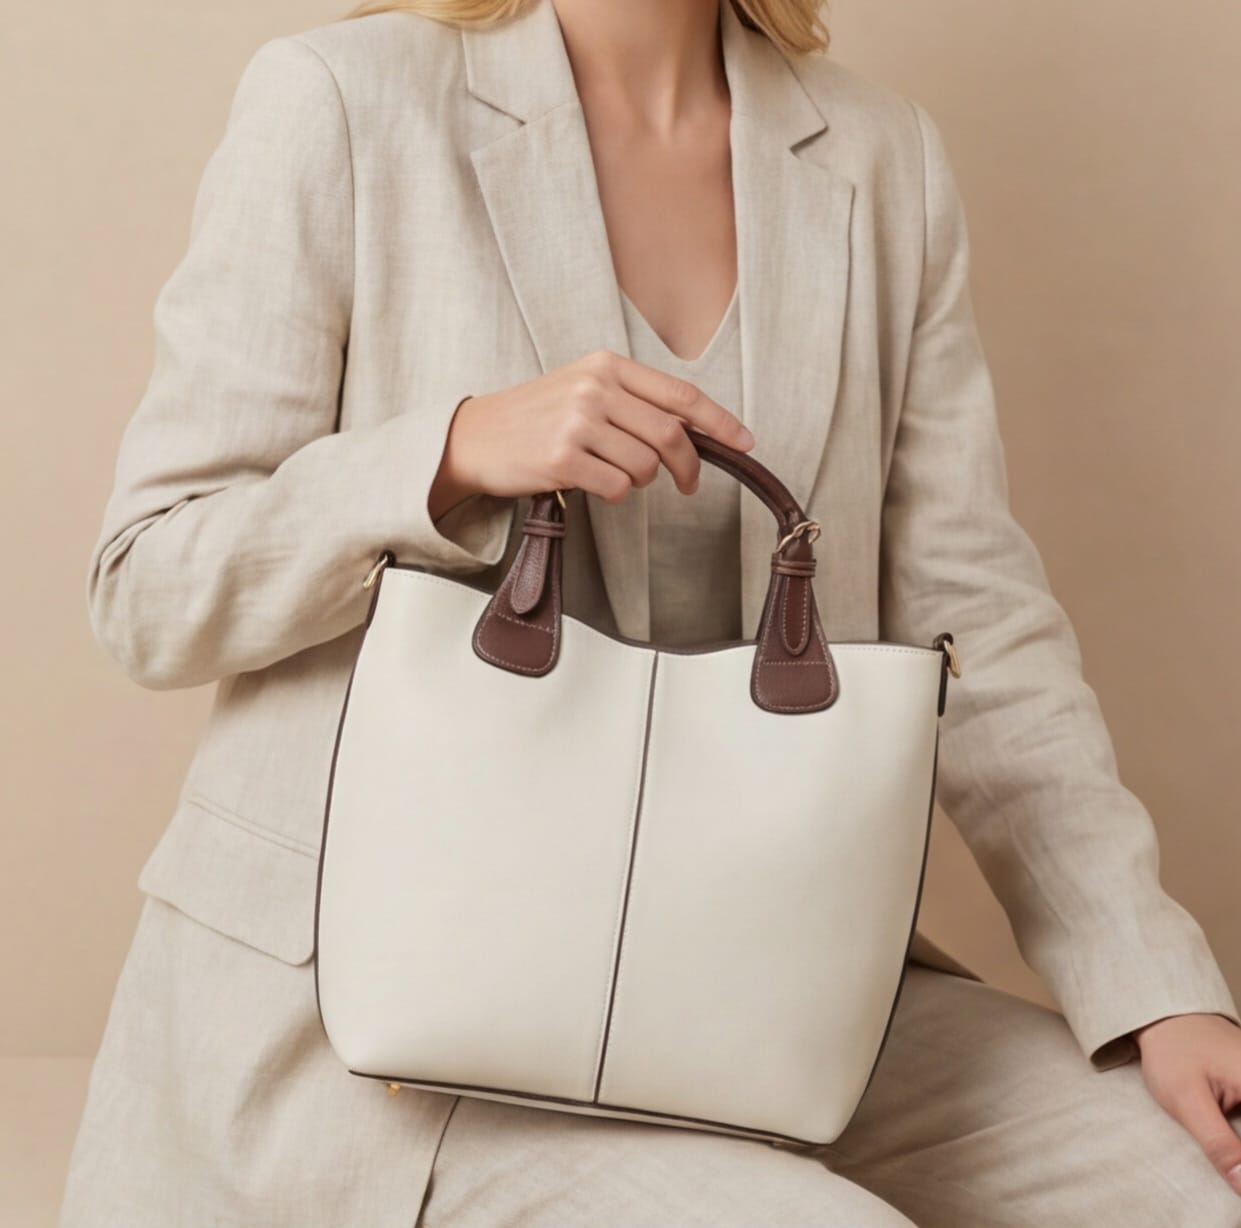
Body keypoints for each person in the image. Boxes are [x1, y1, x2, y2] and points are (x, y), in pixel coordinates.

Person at [60, 0, 1241, 1224]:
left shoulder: (882, 160)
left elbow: (977, 626)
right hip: (383, 1027)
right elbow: (147, 584)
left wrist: (1152, 984)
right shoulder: (343, 101)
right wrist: (451, 451)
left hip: (752, 978)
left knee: (1191, 1189)